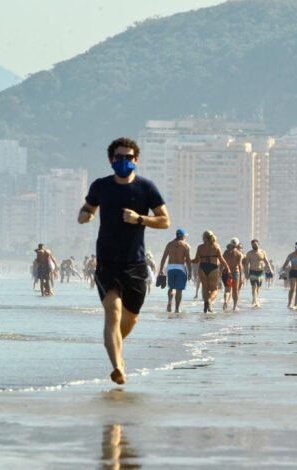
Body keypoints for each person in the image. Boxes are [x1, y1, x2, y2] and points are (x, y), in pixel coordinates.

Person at [78, 136, 170, 385]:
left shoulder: (146, 188)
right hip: (107, 262)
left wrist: (140, 219)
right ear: (111, 160)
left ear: (136, 160)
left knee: (130, 318)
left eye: (128, 158)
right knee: (113, 311)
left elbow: (165, 221)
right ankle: (117, 366)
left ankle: (116, 348)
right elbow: (87, 208)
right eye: (119, 157)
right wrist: (84, 215)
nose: (124, 161)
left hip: (135, 263)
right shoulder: (101, 186)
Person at [192, 231, 229, 313]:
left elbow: (196, 260)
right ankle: (209, 301)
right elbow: (221, 259)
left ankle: (206, 305)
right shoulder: (216, 246)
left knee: (205, 288)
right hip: (213, 268)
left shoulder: (200, 247)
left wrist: (188, 260)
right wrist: (228, 269)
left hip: (202, 268)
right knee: (214, 289)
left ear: (204, 237)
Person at [158, 228, 192, 314]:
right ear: (182, 236)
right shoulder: (186, 245)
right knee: (179, 289)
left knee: (171, 287)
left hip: (170, 267)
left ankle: (169, 302)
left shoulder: (169, 244)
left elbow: (164, 257)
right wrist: (190, 272)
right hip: (180, 268)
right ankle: (177, 309)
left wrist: (161, 269)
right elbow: (188, 260)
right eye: (185, 236)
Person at [243, 239, 274, 308]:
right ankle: (255, 301)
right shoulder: (249, 253)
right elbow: (246, 265)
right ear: (251, 245)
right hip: (252, 271)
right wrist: (246, 273)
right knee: (254, 286)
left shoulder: (262, 252)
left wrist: (271, 270)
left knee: (258, 287)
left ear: (258, 244)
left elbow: (266, 262)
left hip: (260, 272)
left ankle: (255, 299)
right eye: (253, 245)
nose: (254, 246)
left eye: (256, 244)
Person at [222, 238, 244, 311]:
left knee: (227, 290)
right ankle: (234, 306)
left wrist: (219, 272)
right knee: (235, 290)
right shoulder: (239, 253)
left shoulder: (226, 252)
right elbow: (240, 265)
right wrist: (241, 276)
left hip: (226, 272)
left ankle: (225, 301)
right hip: (235, 273)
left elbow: (222, 263)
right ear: (237, 244)